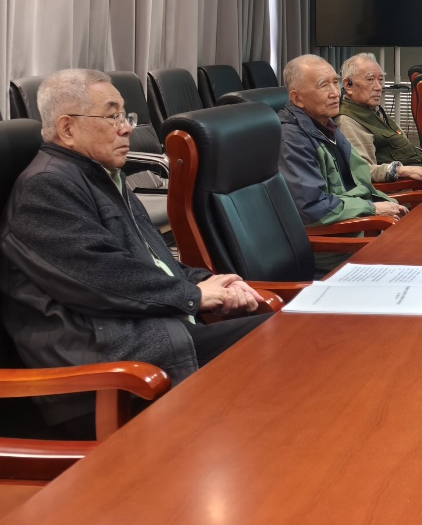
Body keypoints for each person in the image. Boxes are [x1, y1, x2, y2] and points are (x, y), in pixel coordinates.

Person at [0, 69, 269, 434]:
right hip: (106, 368)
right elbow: (101, 279)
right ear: (67, 128)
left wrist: (212, 282)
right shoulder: (46, 187)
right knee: (280, 339)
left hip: (145, 336)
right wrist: (192, 295)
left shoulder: (100, 174)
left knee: (287, 333)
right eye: (112, 117)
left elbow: (153, 262)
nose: (126, 128)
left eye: (125, 116)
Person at [278, 55, 409, 225]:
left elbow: (360, 180)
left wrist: (388, 204)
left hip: (361, 219)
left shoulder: (327, 125)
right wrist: (371, 208)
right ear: (297, 99)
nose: (335, 93)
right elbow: (312, 208)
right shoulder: (292, 139)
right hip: (342, 234)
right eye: (323, 85)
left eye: (335, 82)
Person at [337, 53, 422, 185]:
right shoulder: (347, 121)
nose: (378, 87)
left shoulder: (372, 110)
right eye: (370, 80)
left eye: (380, 80)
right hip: (407, 190)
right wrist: (402, 171)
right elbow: (362, 171)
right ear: (348, 85)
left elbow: (397, 151)